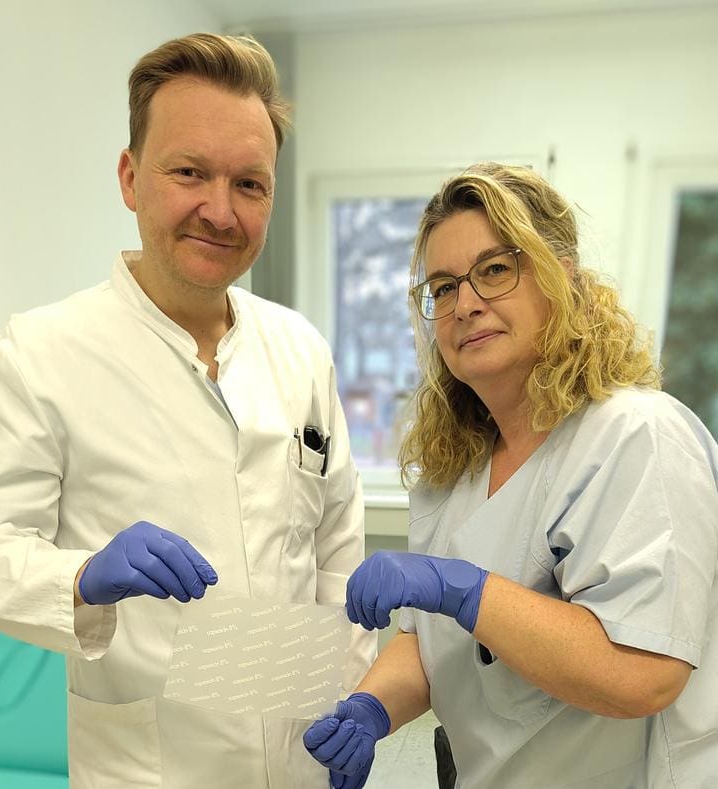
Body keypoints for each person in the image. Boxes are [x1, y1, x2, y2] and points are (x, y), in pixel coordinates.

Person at [0, 33, 375, 789]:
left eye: (250, 184)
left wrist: (353, 695)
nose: (220, 211)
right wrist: (80, 577)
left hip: (303, 759)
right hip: (150, 766)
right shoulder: (40, 353)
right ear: (131, 178)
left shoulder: (300, 349)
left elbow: (337, 550)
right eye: (189, 172)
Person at [303, 162, 718, 788]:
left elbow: (644, 670)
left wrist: (465, 589)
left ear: (562, 277)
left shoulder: (635, 436)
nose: (465, 304)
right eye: (443, 288)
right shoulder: (452, 468)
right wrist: (371, 708)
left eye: (495, 270)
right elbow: (429, 644)